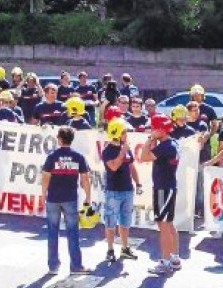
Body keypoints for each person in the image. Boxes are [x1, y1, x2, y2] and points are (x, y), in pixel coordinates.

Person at [40, 126, 92, 275]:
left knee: (52, 232)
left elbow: (45, 177)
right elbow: (85, 179)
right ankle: (76, 266)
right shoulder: (78, 157)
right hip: (70, 198)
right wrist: (88, 197)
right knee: (73, 232)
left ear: (60, 139)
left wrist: (43, 195)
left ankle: (53, 266)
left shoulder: (52, 156)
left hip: (53, 199)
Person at [139, 114, 182, 275]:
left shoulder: (165, 146)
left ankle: (164, 261)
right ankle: (175, 258)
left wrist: (149, 140)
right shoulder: (173, 143)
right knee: (169, 223)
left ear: (161, 130)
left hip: (163, 188)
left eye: (154, 128)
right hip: (168, 186)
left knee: (163, 226)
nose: (151, 131)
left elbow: (143, 157)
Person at [101, 119, 143, 263]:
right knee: (111, 222)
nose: (127, 135)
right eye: (124, 132)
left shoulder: (126, 148)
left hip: (127, 190)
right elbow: (113, 167)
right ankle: (110, 249)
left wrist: (138, 183)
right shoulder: (107, 151)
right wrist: (122, 152)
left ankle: (125, 248)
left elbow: (131, 166)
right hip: (113, 191)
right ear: (117, 133)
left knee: (125, 222)